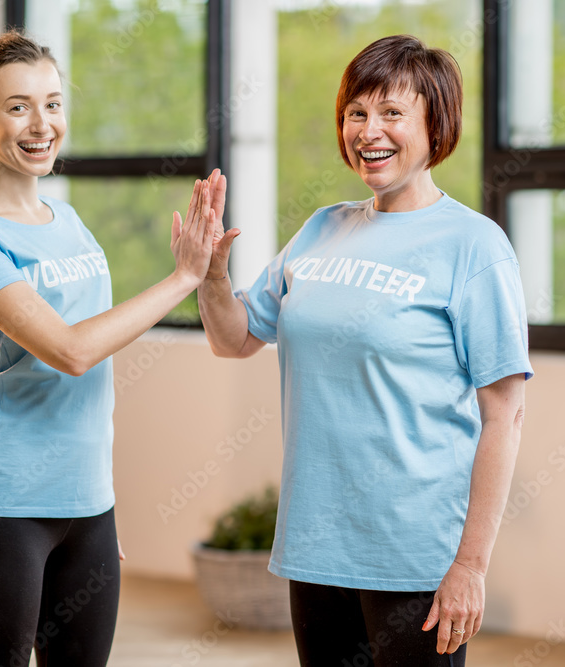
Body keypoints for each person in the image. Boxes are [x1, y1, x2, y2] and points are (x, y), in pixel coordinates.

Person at [197, 34, 533, 666]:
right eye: (356, 112)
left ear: (437, 123)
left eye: (391, 112)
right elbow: (234, 337)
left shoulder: (473, 246)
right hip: (316, 546)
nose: (368, 130)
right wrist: (211, 274)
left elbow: (505, 417)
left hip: (415, 556)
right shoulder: (322, 228)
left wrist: (470, 565)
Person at [0, 31, 216, 666]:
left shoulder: (70, 220)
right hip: (7, 502)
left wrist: (93, 498)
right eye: (17, 106)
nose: (42, 124)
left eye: (53, 103)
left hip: (87, 503)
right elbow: (71, 352)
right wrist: (182, 280)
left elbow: (93, 381)